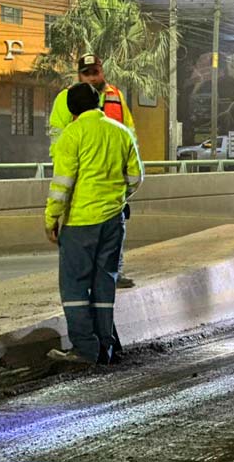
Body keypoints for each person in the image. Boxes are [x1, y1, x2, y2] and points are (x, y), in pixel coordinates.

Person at [45, 83, 143, 365]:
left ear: (71, 109)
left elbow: (61, 186)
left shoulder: (71, 136)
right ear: (98, 102)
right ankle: (105, 348)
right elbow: (136, 177)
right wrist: (116, 199)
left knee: (74, 286)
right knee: (104, 283)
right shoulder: (121, 132)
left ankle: (84, 349)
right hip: (113, 221)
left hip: (80, 222)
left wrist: (51, 217)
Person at [49, 52, 138, 289]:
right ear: (79, 75)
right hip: (80, 179)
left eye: (94, 72)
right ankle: (89, 276)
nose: (91, 77)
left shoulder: (116, 97)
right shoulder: (66, 98)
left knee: (114, 228)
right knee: (82, 232)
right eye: (86, 73)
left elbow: (130, 134)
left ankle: (112, 273)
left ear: (102, 72)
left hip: (111, 181)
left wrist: (124, 180)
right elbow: (57, 137)